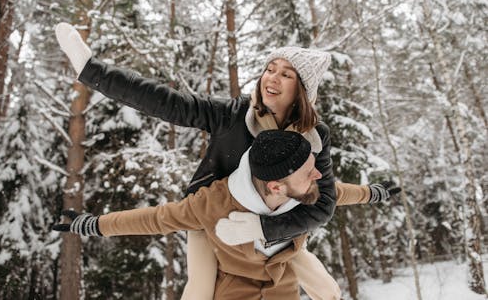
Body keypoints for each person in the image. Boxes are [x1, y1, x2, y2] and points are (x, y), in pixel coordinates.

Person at [55, 22, 400, 299]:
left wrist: (266, 229)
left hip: (279, 227)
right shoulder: (233, 115)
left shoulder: (313, 137)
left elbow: (326, 198)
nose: (271, 78)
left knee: (327, 290)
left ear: (302, 91)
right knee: (200, 291)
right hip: (215, 218)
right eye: (269, 68)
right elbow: (165, 102)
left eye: (286, 74)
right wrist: (92, 71)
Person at [54, 130, 342, 299]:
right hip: (234, 289)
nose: (318, 175)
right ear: (276, 186)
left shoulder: (305, 193)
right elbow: (156, 219)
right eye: (308, 171)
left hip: (283, 288)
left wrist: (372, 193)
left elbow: (341, 193)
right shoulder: (214, 203)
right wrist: (93, 225)